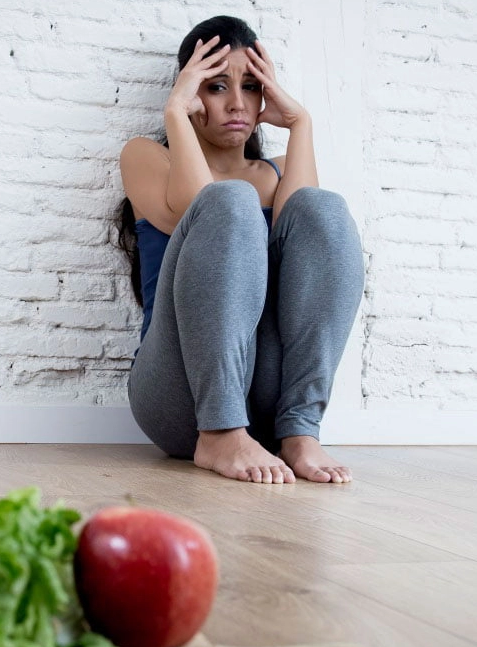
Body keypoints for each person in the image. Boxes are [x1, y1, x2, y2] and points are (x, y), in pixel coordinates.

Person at [115, 16, 365, 485]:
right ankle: (220, 431)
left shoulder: (281, 169)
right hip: (177, 394)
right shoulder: (146, 157)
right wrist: (175, 113)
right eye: (214, 87)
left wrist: (301, 122)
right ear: (191, 93)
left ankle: (300, 430)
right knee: (229, 199)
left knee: (324, 208)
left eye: (251, 86)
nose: (236, 102)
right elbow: (200, 206)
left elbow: (316, 250)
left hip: (267, 398)